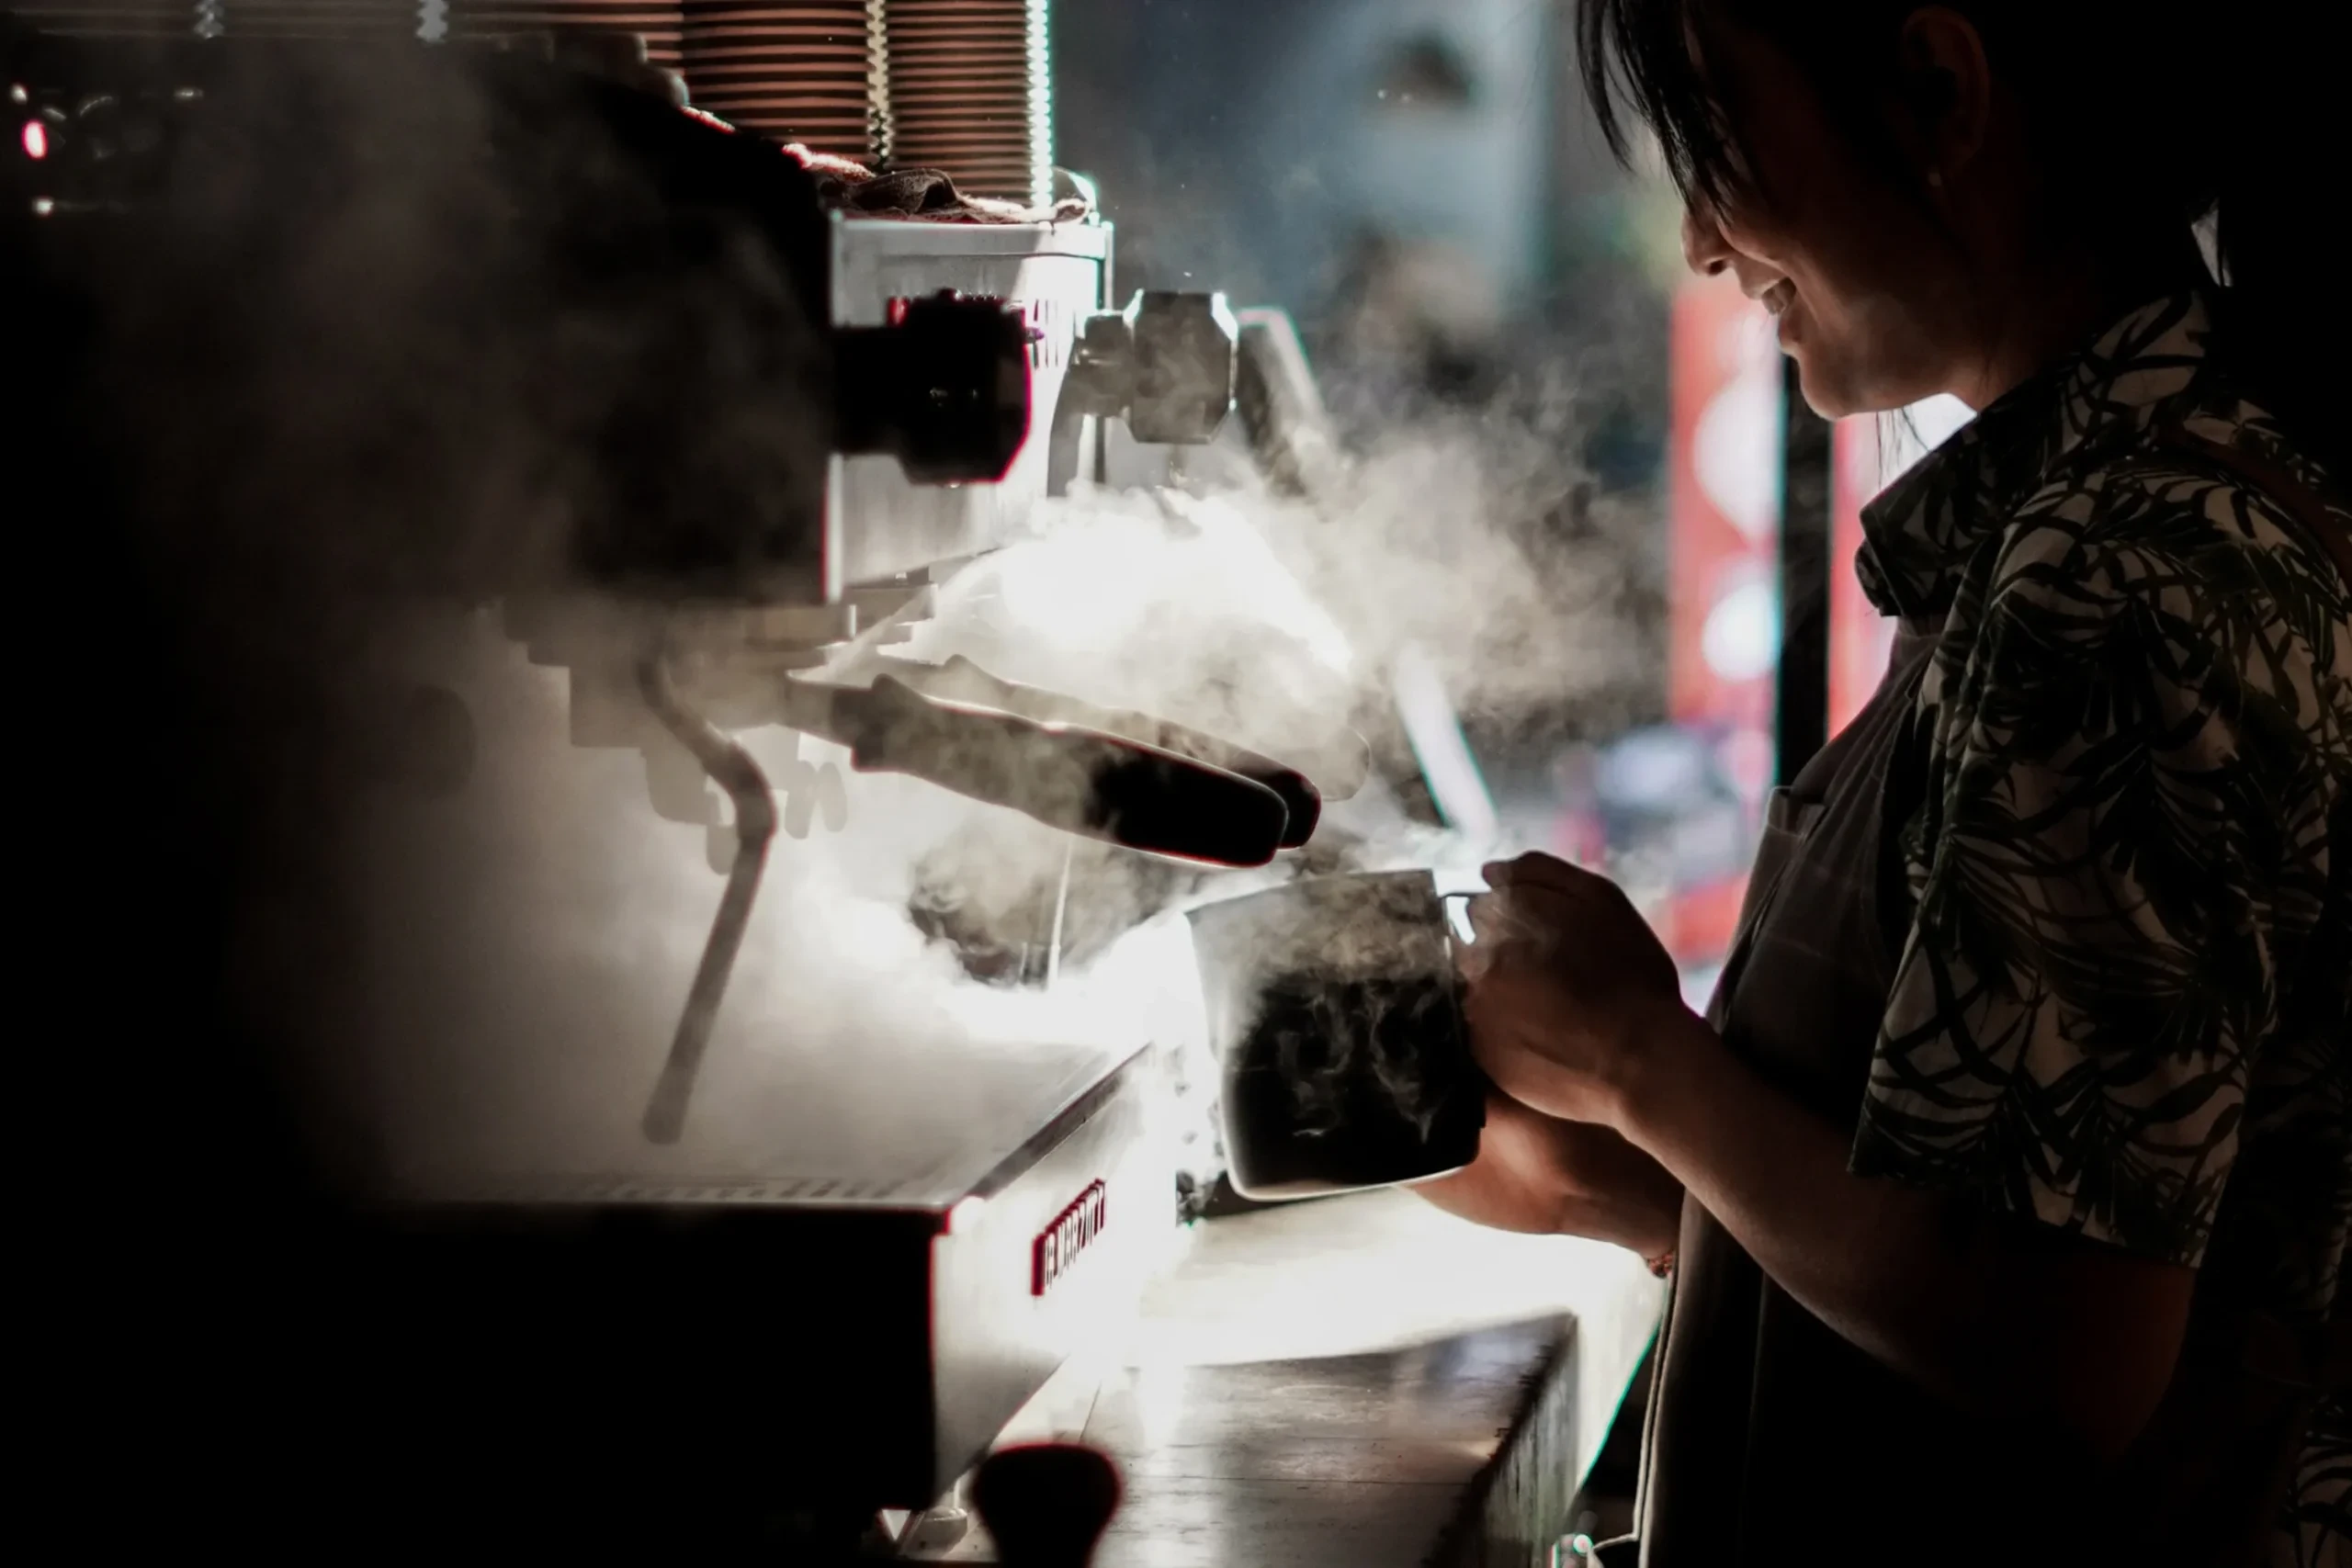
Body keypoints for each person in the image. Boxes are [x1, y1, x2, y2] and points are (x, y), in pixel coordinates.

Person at [1413, 4, 2350, 1564]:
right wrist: (1639, 1187)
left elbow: (2052, 1356)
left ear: (1935, 87)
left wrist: (1650, 1059)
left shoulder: (2116, 575)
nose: (1705, 242)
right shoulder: (2091, 513)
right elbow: (2009, 1214)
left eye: (1717, 148)